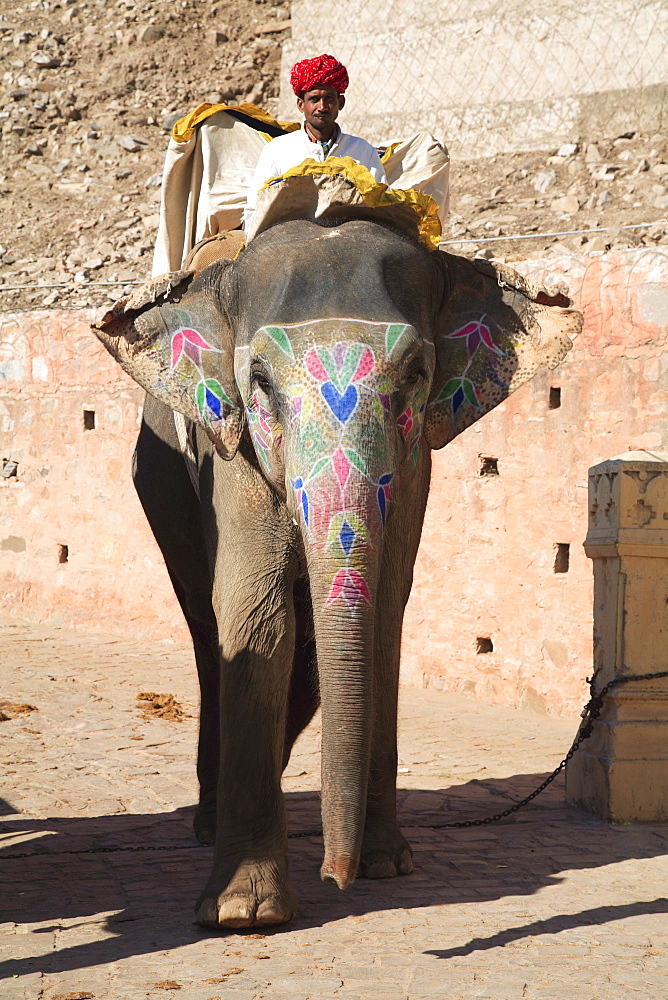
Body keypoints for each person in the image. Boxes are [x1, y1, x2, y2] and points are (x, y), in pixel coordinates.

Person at [243, 53, 386, 232]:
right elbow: (255, 210)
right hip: (290, 244)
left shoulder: (363, 151)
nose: (322, 107)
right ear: (301, 105)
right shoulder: (277, 151)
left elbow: (382, 206)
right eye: (314, 99)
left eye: (329, 99)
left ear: (340, 102)